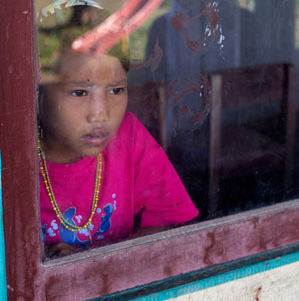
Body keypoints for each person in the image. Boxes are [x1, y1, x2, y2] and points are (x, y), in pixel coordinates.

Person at [38, 49, 198, 257]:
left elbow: (172, 226)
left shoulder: (128, 137)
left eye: (116, 90)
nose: (100, 114)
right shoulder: (13, 155)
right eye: (79, 92)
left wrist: (94, 258)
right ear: (38, 92)